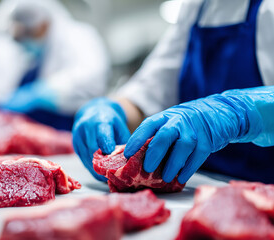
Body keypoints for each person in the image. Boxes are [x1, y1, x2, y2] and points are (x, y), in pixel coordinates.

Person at [73, 0, 274, 183]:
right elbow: (150, 91)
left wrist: (241, 112)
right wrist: (112, 108)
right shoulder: (196, 8)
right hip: (204, 187)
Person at [0, 0, 110, 130]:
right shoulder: (33, 53)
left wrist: (44, 92)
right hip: (41, 130)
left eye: (28, 32)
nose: (25, 40)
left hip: (74, 123)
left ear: (43, 24)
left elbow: (91, 76)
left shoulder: (78, 36)